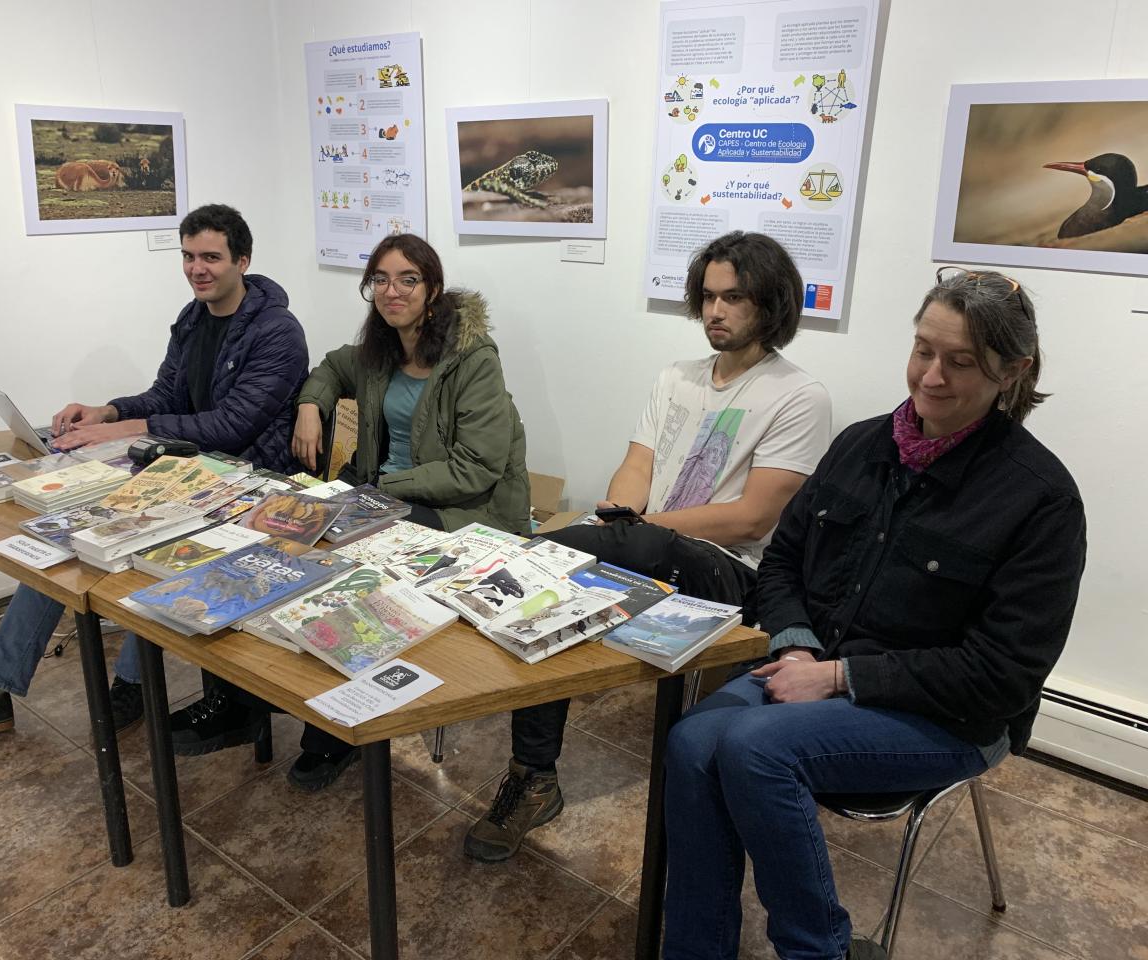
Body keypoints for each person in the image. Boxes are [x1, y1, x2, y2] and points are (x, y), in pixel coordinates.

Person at [662, 268, 1086, 960]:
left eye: (962, 362)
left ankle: (818, 949)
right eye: (924, 350)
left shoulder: (1041, 500)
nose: (932, 377)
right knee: (691, 741)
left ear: (1014, 371)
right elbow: (783, 562)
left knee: (753, 748)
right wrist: (798, 648)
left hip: (948, 717)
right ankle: (696, 949)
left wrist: (838, 679)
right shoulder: (862, 444)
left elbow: (1001, 676)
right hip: (811, 666)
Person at [463, 230, 832, 863]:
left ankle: (524, 561)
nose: (715, 312)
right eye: (709, 297)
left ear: (769, 305)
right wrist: (626, 519)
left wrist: (642, 529)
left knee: (556, 552)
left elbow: (751, 518)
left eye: (734, 298)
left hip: (733, 574)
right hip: (645, 544)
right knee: (554, 590)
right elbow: (634, 468)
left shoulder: (799, 396)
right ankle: (533, 776)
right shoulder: (675, 378)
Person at [0, 204, 309, 746]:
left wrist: (128, 427)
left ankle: (132, 682)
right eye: (188, 256)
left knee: (140, 549)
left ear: (242, 261)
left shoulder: (277, 331)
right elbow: (166, 395)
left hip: (249, 483)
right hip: (189, 471)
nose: (197, 268)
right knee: (68, 544)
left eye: (211, 257)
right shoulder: (192, 318)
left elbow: (233, 424)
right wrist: (106, 412)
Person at [169, 232, 530, 788]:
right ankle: (242, 699)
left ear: (432, 288)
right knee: (266, 544)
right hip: (385, 497)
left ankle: (333, 734)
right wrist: (311, 405)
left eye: (408, 279)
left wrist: (383, 487)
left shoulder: (473, 360)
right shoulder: (381, 349)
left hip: (465, 511)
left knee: (340, 573)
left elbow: (476, 468)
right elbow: (331, 368)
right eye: (380, 280)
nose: (392, 291)